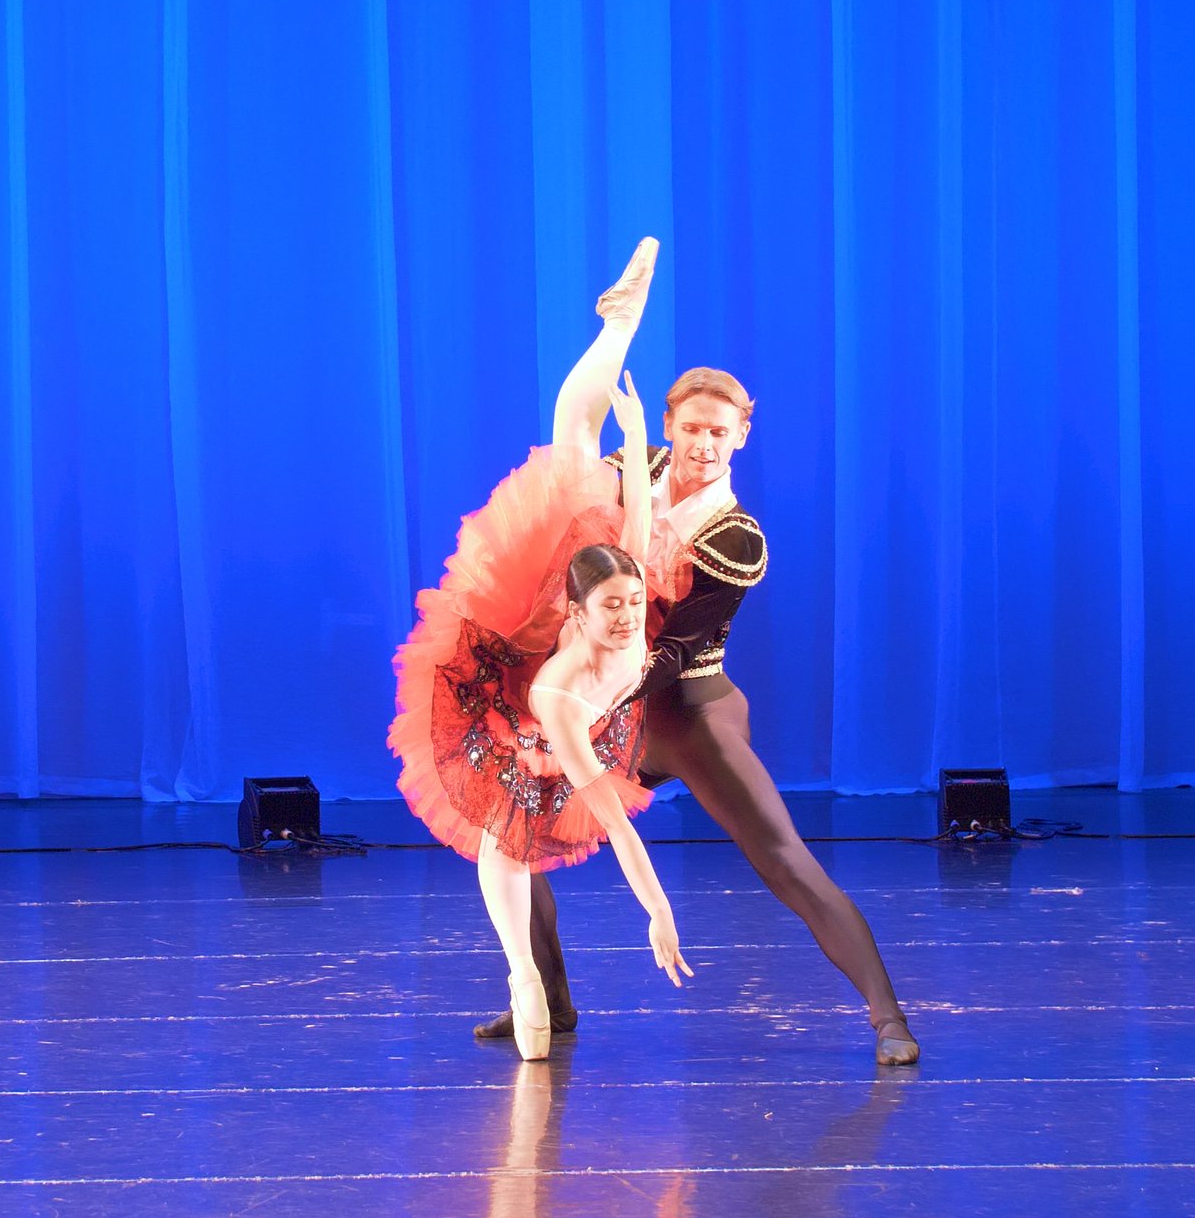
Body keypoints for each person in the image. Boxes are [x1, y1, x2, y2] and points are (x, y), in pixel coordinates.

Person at [471, 256, 924, 1067]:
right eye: (691, 429)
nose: (704, 445)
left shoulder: (736, 537)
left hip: (687, 709)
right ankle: (549, 998)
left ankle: (888, 1018)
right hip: (612, 698)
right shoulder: (636, 471)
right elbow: (575, 468)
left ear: (742, 433)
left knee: (782, 857)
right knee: (512, 826)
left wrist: (585, 703)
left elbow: (670, 647)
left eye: (720, 432)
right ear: (669, 427)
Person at [391, 239, 694, 1062]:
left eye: (634, 605)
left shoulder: (624, 604)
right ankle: (522, 974)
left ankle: (620, 325)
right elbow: (613, 820)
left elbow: (637, 531)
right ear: (578, 610)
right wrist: (656, 908)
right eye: (615, 609)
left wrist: (638, 437)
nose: (632, 619)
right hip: (519, 679)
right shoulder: (559, 684)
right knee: (503, 834)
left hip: (568, 692)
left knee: (582, 439)